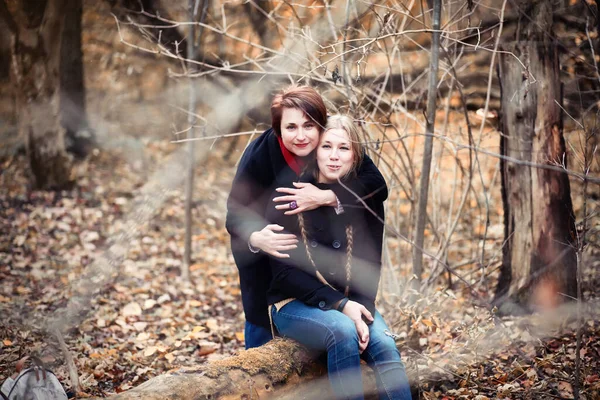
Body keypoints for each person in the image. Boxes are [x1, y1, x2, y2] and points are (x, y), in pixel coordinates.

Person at [225, 86, 388, 349]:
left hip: (315, 274)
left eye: (309, 126)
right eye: (290, 128)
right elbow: (234, 214)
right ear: (278, 129)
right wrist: (256, 237)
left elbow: (377, 185)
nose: (301, 136)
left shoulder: (327, 145)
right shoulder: (261, 156)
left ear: (320, 126)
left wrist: (327, 196)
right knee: (262, 339)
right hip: (267, 266)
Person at [267, 115, 412, 400]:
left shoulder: (365, 199)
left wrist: (359, 307)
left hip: (354, 303)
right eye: (326, 147)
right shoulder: (289, 195)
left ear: (356, 155)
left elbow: (370, 267)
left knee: (384, 345)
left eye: (344, 148)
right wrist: (342, 306)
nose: (334, 157)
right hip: (292, 304)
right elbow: (284, 274)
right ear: (315, 150)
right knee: (342, 330)